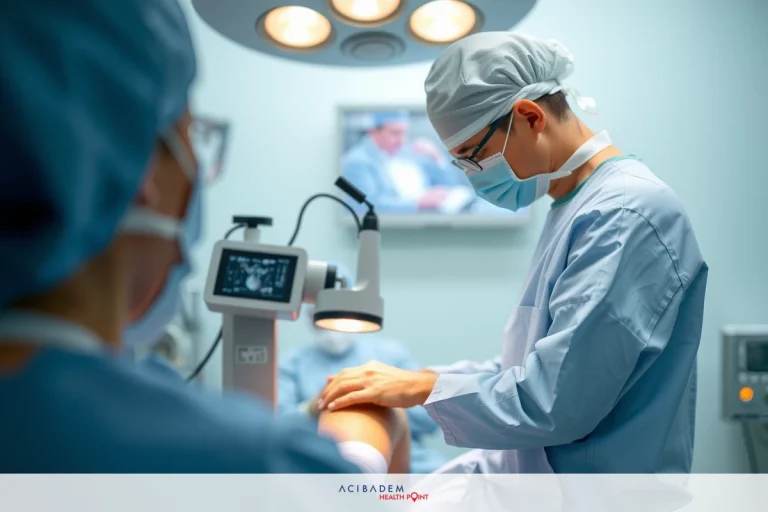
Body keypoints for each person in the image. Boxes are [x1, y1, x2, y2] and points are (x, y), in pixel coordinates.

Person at [0, 0, 407, 476]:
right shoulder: (244, 463)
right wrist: (366, 433)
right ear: (143, 172)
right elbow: (351, 493)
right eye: (192, 136)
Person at [318, 32, 708, 474]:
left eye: (473, 157)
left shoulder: (622, 214)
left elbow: (554, 401)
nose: (471, 177)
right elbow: (530, 365)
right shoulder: (574, 204)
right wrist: (410, 381)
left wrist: (423, 387)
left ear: (529, 116)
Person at [279, 302, 447, 473]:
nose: (334, 327)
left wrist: (387, 403)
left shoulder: (390, 354)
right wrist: (310, 410)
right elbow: (278, 427)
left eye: (341, 314)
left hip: (416, 466)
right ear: (310, 317)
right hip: (324, 461)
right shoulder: (293, 363)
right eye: (325, 315)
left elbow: (431, 419)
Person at [342, 111, 469, 212]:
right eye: (395, 133)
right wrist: (418, 203)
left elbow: (448, 185)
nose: (402, 140)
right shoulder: (356, 162)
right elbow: (366, 206)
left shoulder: (409, 152)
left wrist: (437, 158)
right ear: (374, 132)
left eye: (404, 133)